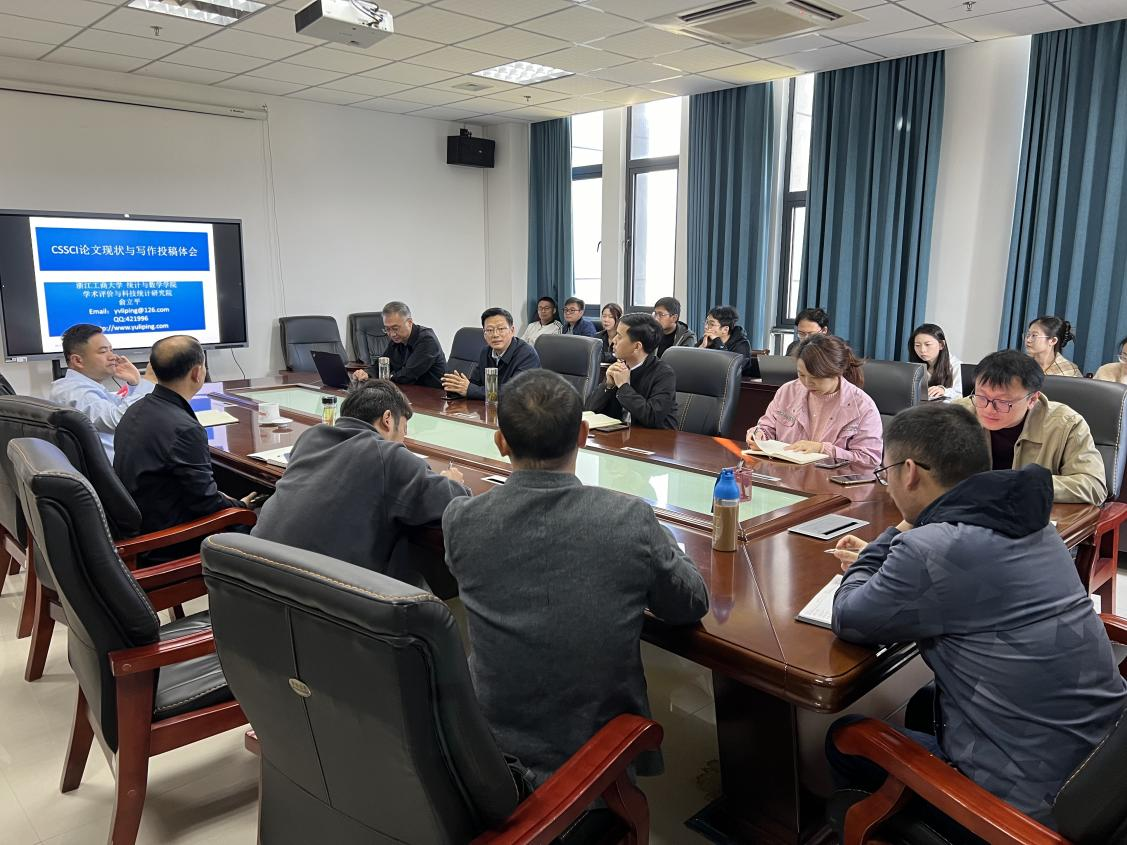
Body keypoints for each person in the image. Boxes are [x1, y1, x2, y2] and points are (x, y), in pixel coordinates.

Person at [827, 403, 1127, 832]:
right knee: (924, 703)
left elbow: (849, 617)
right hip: (1101, 758)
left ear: (909, 472)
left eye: (885, 471)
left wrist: (887, 540)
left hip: (1025, 815)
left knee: (846, 737)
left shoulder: (929, 549)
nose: (887, 483)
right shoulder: (1034, 524)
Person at [443, 369, 709, 786]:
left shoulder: (461, 519)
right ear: (583, 435)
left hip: (486, 743)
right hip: (591, 748)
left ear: (500, 442)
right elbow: (690, 604)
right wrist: (666, 544)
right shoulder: (628, 519)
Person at [252, 380, 468, 586]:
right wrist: (450, 481)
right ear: (387, 419)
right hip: (320, 594)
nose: (404, 437)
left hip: (253, 575)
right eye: (404, 428)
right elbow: (455, 502)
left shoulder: (310, 437)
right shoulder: (386, 454)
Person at [114, 335, 252, 559]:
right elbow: (206, 504)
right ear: (197, 373)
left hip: (139, 525)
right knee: (255, 518)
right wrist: (240, 505)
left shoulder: (137, 408)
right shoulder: (185, 429)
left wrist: (222, 497)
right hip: (166, 543)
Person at [954, 350, 1105, 504]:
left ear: (1032, 399)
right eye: (981, 397)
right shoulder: (957, 414)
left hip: (1030, 513)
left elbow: (1094, 486)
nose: (988, 409)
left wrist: (1022, 485)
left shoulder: (1066, 424)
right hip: (968, 509)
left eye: (1003, 402)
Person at [748, 334, 882, 465]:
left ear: (837, 371)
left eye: (816, 377)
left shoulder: (863, 406)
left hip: (830, 478)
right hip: (786, 473)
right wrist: (759, 435)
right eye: (802, 375)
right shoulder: (787, 391)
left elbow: (870, 460)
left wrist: (823, 449)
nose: (807, 383)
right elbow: (767, 427)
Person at [48, 323, 156, 461]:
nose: (113, 356)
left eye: (111, 350)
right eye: (103, 351)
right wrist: (148, 381)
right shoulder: (74, 392)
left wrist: (135, 383)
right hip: (119, 470)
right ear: (78, 360)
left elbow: (120, 410)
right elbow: (120, 421)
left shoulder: (85, 387)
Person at [586, 313, 677, 429]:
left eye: (619, 336)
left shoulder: (663, 374)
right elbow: (589, 411)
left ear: (637, 346)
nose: (614, 340)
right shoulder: (618, 367)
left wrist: (623, 386)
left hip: (655, 438)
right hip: (619, 435)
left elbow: (652, 417)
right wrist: (607, 386)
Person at [441, 308, 540, 400]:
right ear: (484, 334)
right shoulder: (486, 352)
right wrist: (457, 387)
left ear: (512, 330)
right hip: (490, 408)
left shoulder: (527, 354)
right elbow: (475, 383)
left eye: (501, 329)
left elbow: (514, 393)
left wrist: (470, 390)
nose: (495, 335)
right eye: (489, 330)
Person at [353, 301, 446, 389]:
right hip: (408, 391)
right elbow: (382, 364)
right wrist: (366, 373)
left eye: (395, 328)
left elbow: (407, 375)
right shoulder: (397, 339)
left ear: (409, 323)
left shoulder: (427, 340)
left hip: (432, 395)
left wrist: (387, 378)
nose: (392, 334)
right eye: (387, 329)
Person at [908, 322, 962, 401]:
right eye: (917, 345)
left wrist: (944, 391)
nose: (922, 350)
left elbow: (962, 395)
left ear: (941, 345)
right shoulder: (913, 366)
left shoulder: (956, 366)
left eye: (928, 344)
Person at [698, 305, 754, 375]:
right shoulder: (706, 340)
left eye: (711, 324)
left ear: (725, 329)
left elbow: (729, 369)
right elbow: (690, 363)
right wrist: (702, 347)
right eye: (706, 322)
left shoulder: (742, 345)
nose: (706, 327)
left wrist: (717, 341)